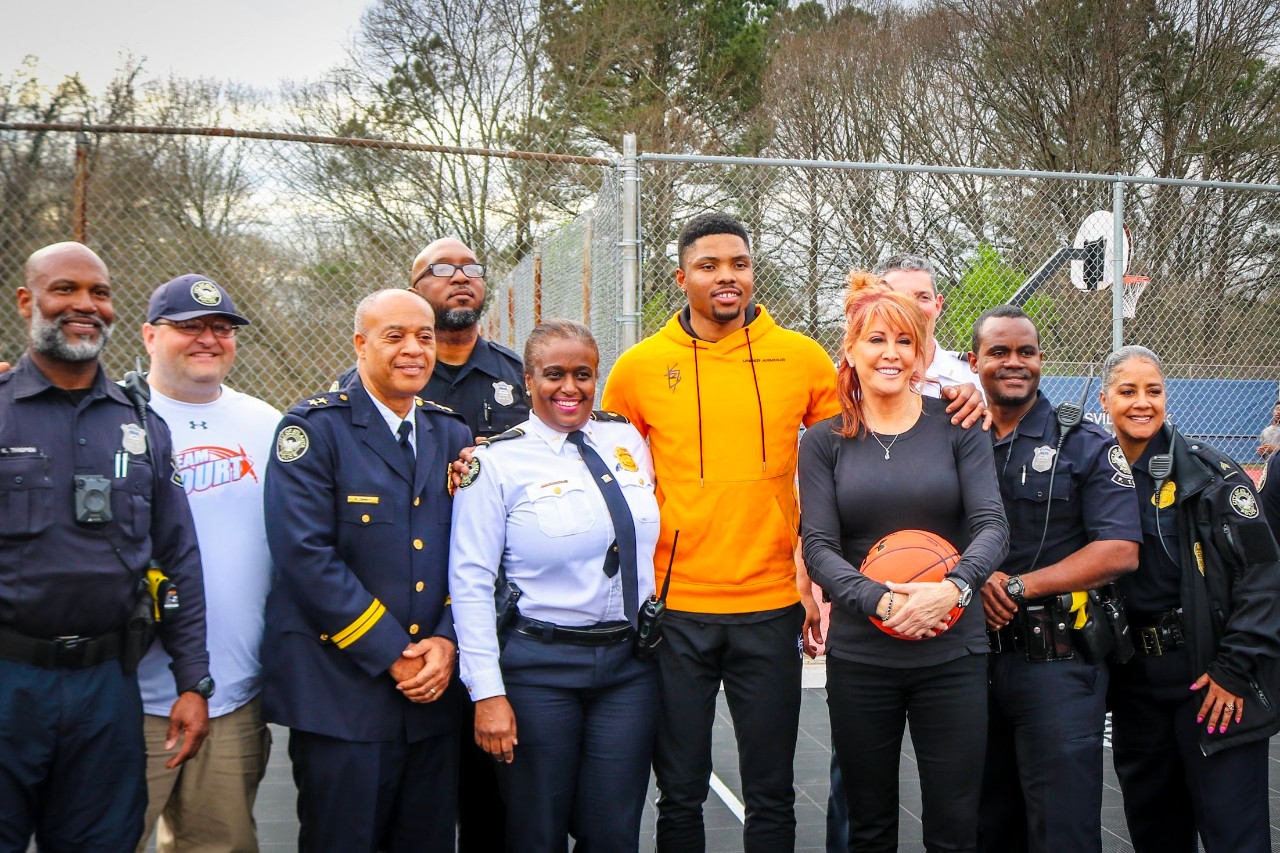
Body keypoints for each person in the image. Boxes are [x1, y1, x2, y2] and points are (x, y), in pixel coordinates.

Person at [0, 242, 212, 851]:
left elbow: (179, 558)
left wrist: (193, 681)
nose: (85, 305)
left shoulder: (143, 426)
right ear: (27, 301)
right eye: (65, 289)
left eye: (99, 293)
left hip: (105, 690)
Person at [798, 286, 1008, 853]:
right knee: (868, 825)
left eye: (904, 341)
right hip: (864, 656)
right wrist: (880, 602)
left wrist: (955, 588)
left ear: (920, 355)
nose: (890, 353)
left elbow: (993, 526)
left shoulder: (960, 425)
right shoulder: (824, 441)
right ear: (851, 351)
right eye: (876, 339)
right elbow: (818, 544)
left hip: (953, 651)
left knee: (954, 822)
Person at [262, 289, 472, 852]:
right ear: (360, 344)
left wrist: (448, 643)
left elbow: (470, 554)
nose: (414, 350)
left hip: (433, 695)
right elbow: (305, 557)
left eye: (424, 337)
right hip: (343, 697)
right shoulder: (311, 431)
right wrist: (394, 655)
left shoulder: (449, 433)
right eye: (394, 336)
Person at [449, 318, 662, 852]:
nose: (570, 388)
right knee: (536, 832)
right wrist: (487, 692)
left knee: (613, 833)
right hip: (539, 670)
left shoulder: (625, 440)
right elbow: (470, 582)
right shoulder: (495, 462)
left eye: (583, 374)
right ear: (527, 381)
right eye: (554, 374)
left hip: (628, 667)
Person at [966, 305, 1140, 853]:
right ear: (974, 362)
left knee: (1062, 830)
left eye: (1027, 352)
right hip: (969, 662)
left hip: (1057, 664)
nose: (1015, 363)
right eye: (999, 352)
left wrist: (1016, 586)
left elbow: (1119, 550)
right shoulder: (953, 440)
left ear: (1041, 360)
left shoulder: (1085, 443)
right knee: (982, 824)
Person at [1099, 345, 1280, 853]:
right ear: (1104, 398)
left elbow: (1264, 577)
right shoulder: (1093, 475)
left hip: (1211, 678)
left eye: (1153, 391)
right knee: (1155, 830)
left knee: (1233, 833)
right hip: (1135, 683)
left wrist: (1233, 669)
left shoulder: (1212, 476)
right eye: (1127, 391)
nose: (1141, 402)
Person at [135, 274, 282, 853]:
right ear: (150, 336)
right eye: (188, 327)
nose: (208, 339)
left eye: (220, 328)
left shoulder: (267, 426)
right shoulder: (113, 418)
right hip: (130, 695)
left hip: (232, 695)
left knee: (217, 844)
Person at [334, 237, 528, 441]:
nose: (461, 277)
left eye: (471, 269)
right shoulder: (370, 379)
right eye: (442, 269)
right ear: (414, 294)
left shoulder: (515, 372)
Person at [873, 254, 975, 394]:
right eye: (897, 298)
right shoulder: (846, 381)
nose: (912, 308)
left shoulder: (975, 376)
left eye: (923, 297)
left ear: (938, 305)